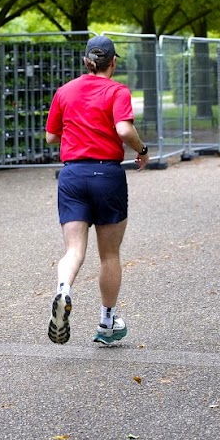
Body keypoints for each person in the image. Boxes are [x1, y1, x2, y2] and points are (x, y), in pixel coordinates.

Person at [43, 35, 149, 347]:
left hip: (73, 174)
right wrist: (142, 150)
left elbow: (51, 136)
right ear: (113, 62)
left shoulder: (65, 91)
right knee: (110, 254)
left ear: (86, 61)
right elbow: (124, 129)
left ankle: (64, 289)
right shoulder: (117, 91)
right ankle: (107, 321)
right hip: (107, 175)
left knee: (73, 250)